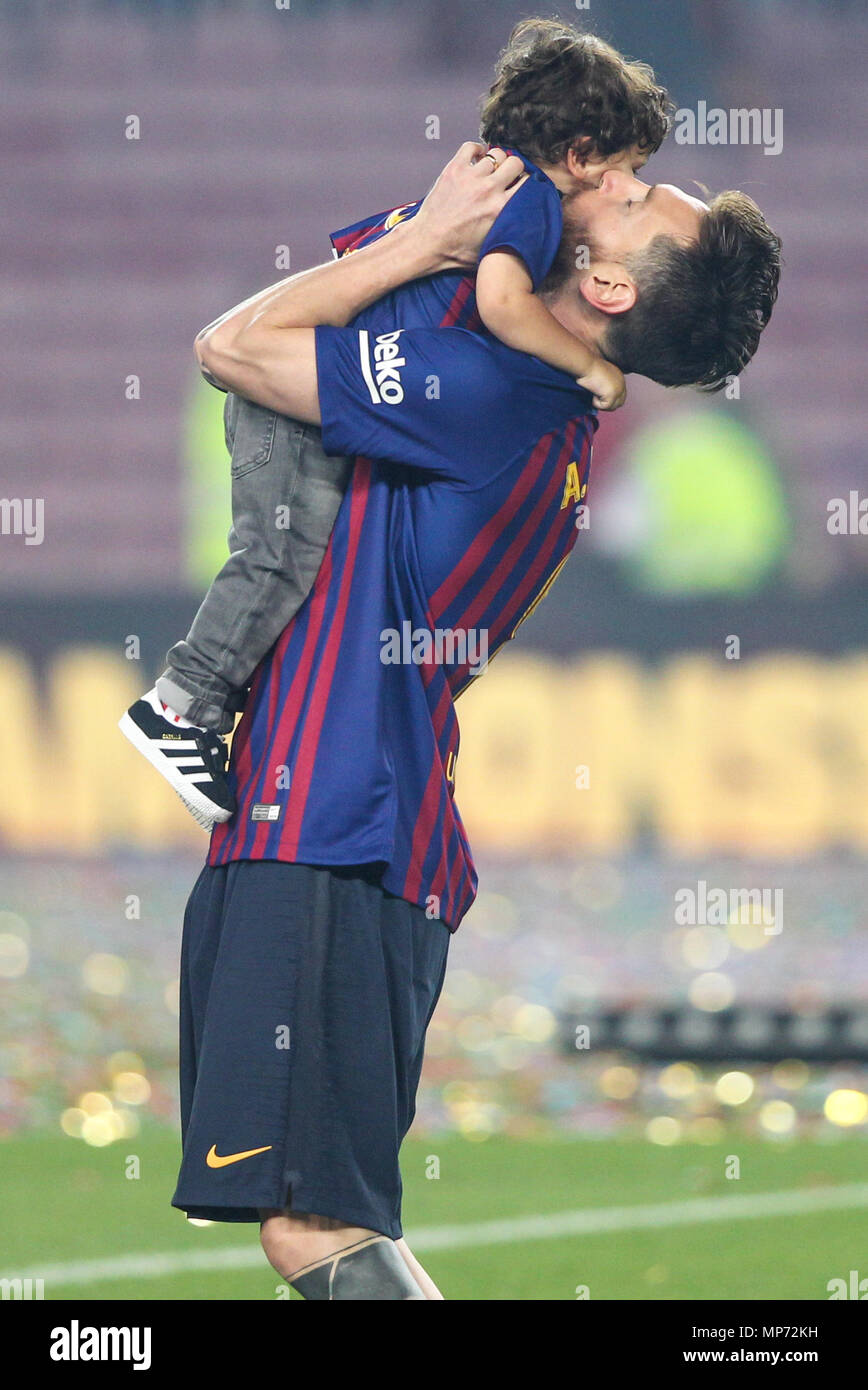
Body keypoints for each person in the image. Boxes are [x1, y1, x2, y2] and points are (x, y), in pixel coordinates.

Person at [165, 144, 781, 1299]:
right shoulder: (528, 394)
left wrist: (430, 241)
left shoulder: (490, 397)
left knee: (315, 1230)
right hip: (354, 822)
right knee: (326, 1220)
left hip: (326, 821)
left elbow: (230, 349)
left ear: (610, 289)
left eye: (636, 201)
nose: (611, 182)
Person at [119, 19, 670, 825]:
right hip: (302, 393)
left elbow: (374, 257)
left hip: (318, 384)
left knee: (283, 556)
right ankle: (180, 706)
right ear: (582, 153)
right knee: (281, 557)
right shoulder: (531, 208)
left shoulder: (473, 184)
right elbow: (499, 302)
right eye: (628, 173)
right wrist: (588, 364)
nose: (625, 193)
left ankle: (199, 706)